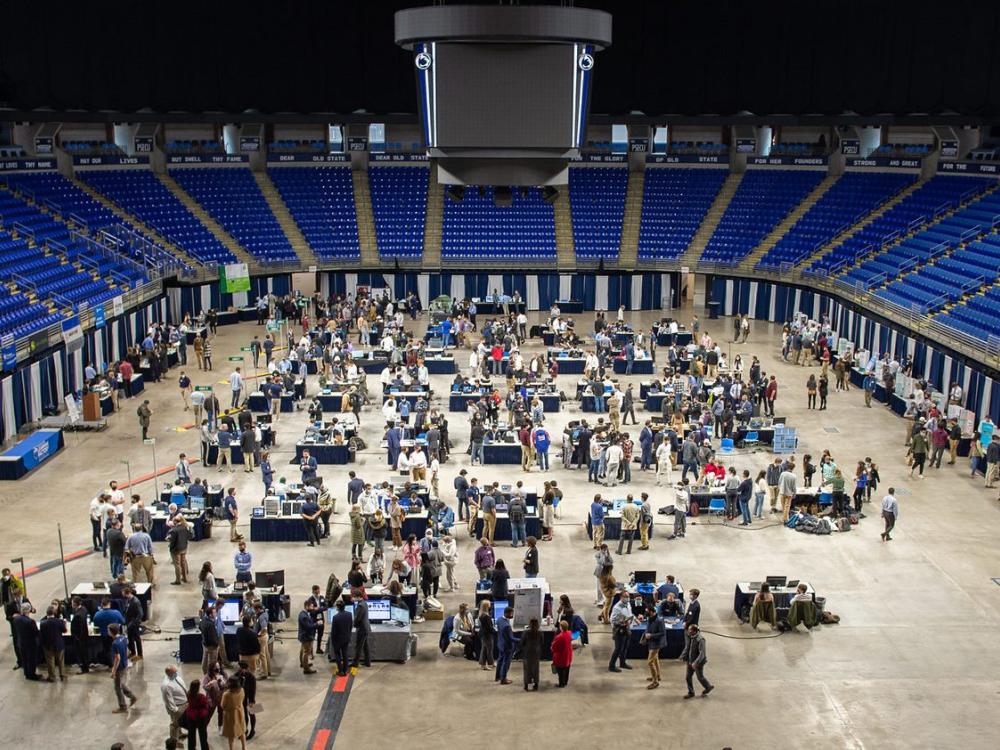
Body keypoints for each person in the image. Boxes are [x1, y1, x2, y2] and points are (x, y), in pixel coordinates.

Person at [680, 624, 713, 698]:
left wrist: (696, 662)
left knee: (700, 677)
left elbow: (702, 654)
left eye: (690, 630)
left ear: (694, 631)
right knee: (688, 677)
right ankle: (691, 692)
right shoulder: (690, 637)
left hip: (698, 663)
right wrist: (682, 656)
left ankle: (708, 687)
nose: (688, 631)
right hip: (690, 661)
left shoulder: (701, 640)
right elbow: (687, 647)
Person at [110, 623, 137, 712]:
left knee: (117, 687)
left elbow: (117, 658)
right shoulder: (123, 638)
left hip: (119, 667)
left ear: (111, 632)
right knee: (121, 684)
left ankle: (122, 706)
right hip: (125, 664)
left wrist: (114, 670)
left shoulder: (115, 643)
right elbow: (127, 651)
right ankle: (132, 697)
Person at [39, 605, 66, 683]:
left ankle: (52, 677)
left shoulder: (43, 623)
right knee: (61, 661)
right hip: (59, 644)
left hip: (48, 645)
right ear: (54, 613)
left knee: (50, 661)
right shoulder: (60, 621)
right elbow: (64, 630)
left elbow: (42, 635)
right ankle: (62, 675)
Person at [161, 665, 189, 744]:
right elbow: (167, 700)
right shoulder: (166, 685)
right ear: (169, 673)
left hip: (184, 703)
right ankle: (174, 741)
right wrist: (175, 710)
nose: (176, 673)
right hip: (178, 706)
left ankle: (179, 734)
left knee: (180, 722)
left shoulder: (177, 678)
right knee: (175, 724)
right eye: (174, 672)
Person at [183, 679, 212, 750]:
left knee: (191, 734)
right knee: (203, 735)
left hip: (191, 716)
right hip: (200, 717)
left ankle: (191, 748)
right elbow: (205, 705)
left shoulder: (188, 693)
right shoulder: (201, 696)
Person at [608, 592, 633, 672]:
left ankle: (623, 663)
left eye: (628, 596)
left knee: (625, 647)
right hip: (619, 630)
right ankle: (611, 666)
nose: (627, 598)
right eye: (626, 597)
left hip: (627, 628)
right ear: (621, 597)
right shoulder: (617, 608)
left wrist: (634, 619)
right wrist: (621, 623)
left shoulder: (628, 604)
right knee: (618, 649)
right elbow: (612, 620)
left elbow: (630, 614)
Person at [221, 676, 248, 750]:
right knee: (242, 730)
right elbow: (243, 699)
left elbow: (223, 706)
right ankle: (244, 747)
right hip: (240, 712)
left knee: (231, 735)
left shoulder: (227, 694)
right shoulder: (242, 690)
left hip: (231, 715)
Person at [329, 600, 353, 677]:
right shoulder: (349, 614)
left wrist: (333, 641)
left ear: (338, 607)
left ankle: (340, 671)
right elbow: (350, 626)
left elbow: (333, 631)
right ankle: (345, 670)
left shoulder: (335, 617)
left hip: (338, 640)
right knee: (345, 653)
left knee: (338, 654)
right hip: (346, 638)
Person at [644, 604, 666, 689]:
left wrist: (651, 635)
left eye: (648, 612)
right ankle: (658, 676)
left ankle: (655, 682)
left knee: (650, 662)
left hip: (657, 643)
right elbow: (648, 627)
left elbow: (662, 633)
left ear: (652, 612)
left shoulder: (659, 620)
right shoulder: (650, 618)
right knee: (655, 659)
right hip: (651, 642)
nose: (646, 614)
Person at [495, 606, 518, 685]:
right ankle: (503, 679)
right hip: (507, 647)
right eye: (512, 613)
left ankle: (497, 676)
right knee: (506, 663)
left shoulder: (499, 620)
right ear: (508, 613)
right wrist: (521, 640)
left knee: (500, 660)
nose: (512, 615)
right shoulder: (507, 626)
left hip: (500, 644)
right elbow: (511, 638)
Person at [519, 617, 542, 691]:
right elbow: (542, 641)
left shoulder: (526, 632)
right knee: (535, 668)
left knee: (527, 669)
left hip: (527, 652)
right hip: (536, 652)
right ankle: (536, 684)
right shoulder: (540, 632)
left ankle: (526, 685)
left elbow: (522, 642)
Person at [168, 516, 192, 585]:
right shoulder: (185, 527)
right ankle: (184, 578)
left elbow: (173, 542)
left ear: (175, 522)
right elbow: (189, 536)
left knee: (177, 565)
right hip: (184, 548)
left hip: (176, 550)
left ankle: (178, 580)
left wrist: (171, 548)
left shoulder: (174, 530)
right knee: (183, 563)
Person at [351, 589, 371, 668]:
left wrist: (353, 625)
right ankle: (367, 662)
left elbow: (358, 618)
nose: (353, 599)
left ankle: (355, 663)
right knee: (365, 646)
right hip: (365, 627)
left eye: (353, 597)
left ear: (358, 597)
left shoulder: (360, 606)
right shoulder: (364, 603)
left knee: (358, 647)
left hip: (362, 629)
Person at [298, 600, 319, 674]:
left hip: (304, 636)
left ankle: (303, 663)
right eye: (311, 606)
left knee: (303, 650)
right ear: (306, 606)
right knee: (306, 652)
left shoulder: (304, 613)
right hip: (306, 637)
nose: (312, 608)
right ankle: (306, 669)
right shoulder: (304, 616)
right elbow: (308, 627)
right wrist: (317, 624)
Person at [551, 619, 573, 687]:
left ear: (561, 627)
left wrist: (552, 648)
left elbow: (554, 647)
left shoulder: (559, 637)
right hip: (568, 654)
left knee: (560, 670)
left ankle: (561, 683)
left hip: (561, 656)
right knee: (567, 669)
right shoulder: (569, 633)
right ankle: (565, 682)